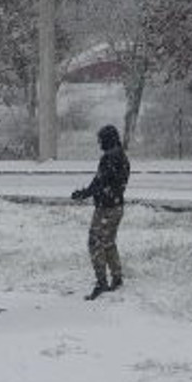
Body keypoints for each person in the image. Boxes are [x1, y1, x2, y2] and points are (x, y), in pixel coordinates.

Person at [71, 125, 131, 301]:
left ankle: (101, 282)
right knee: (108, 242)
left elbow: (100, 182)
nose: (99, 144)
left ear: (107, 139)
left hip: (106, 208)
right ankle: (117, 277)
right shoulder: (121, 155)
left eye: (101, 140)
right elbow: (107, 182)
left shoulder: (110, 158)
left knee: (95, 242)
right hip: (117, 205)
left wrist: (84, 193)